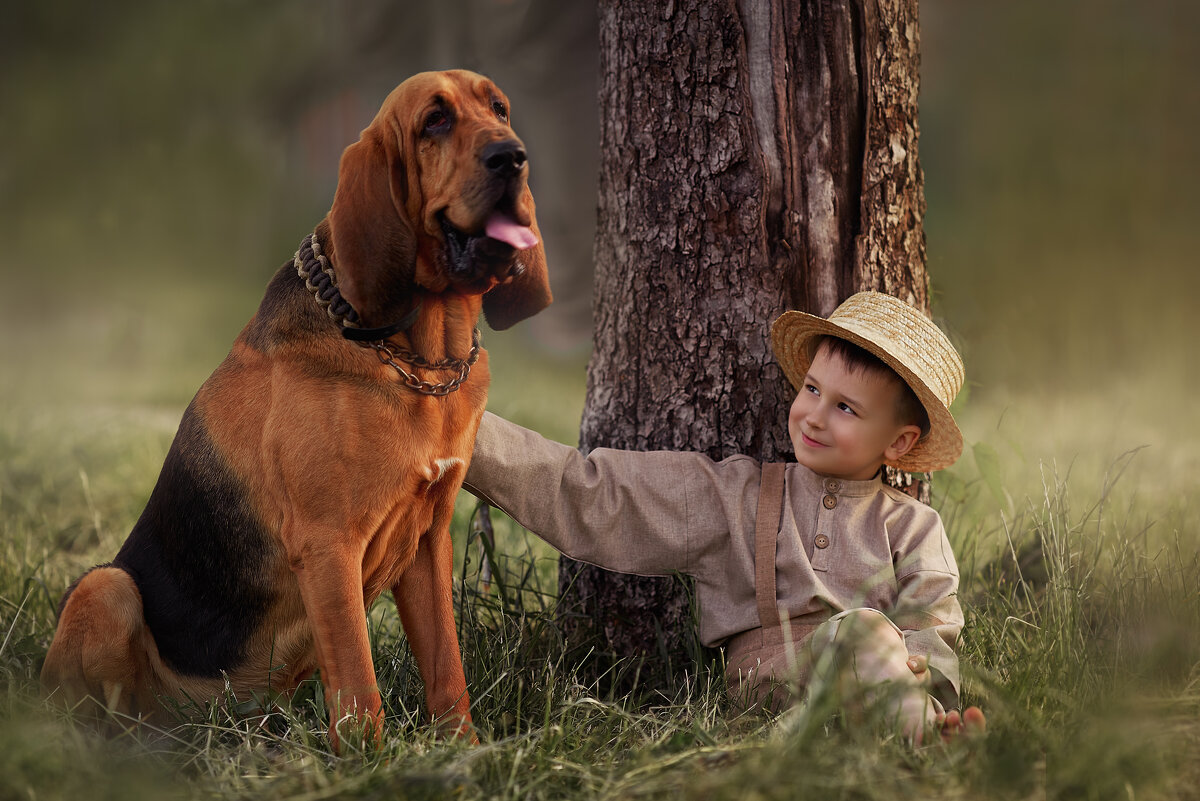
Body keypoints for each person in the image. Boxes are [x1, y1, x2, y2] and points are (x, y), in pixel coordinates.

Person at [462, 291, 984, 742]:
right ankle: (919, 743)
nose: (815, 416)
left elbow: (931, 629)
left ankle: (916, 730)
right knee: (868, 632)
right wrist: (460, 432)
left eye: (846, 408)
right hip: (768, 688)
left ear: (899, 441)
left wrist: (922, 679)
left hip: (875, 688)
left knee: (876, 641)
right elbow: (594, 494)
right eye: (812, 390)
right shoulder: (739, 497)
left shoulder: (916, 528)